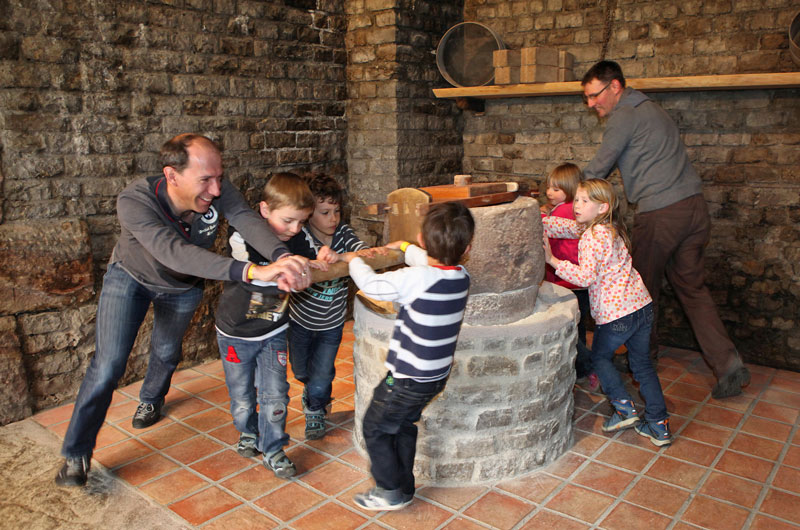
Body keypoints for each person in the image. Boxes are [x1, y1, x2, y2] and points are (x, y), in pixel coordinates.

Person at [55, 134, 312, 487]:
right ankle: (76, 451)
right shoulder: (135, 200)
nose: (216, 189)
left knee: (165, 351)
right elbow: (174, 252)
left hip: (182, 287)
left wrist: (282, 257)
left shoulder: (218, 191)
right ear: (172, 175)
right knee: (109, 364)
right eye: (205, 179)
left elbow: (246, 218)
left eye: (219, 177)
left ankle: (151, 398)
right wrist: (251, 270)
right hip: (130, 278)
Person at [580, 60, 750, 399]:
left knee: (640, 292)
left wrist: (563, 193)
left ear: (615, 87)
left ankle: (642, 361)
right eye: (586, 98)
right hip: (693, 209)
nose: (591, 104)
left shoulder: (625, 115)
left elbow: (600, 166)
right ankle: (729, 364)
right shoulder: (652, 109)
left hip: (662, 215)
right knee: (693, 289)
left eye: (593, 95)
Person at [342, 201, 474, 511]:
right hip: (434, 377)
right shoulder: (461, 276)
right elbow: (429, 260)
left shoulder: (416, 279)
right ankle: (404, 487)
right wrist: (404, 247)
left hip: (406, 378)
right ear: (466, 248)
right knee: (402, 426)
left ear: (423, 239)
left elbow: (372, 284)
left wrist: (353, 260)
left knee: (375, 427)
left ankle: (388, 490)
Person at [543, 179, 671, 447]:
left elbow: (585, 277)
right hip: (641, 306)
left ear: (602, 207)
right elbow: (565, 226)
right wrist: (541, 221)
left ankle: (623, 408)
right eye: (576, 199)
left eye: (584, 201)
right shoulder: (610, 228)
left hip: (616, 315)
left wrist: (553, 261)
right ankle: (659, 425)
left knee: (600, 359)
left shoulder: (591, 236)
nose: (577, 205)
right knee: (643, 366)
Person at [215, 173, 328, 478]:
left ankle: (274, 448)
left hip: (274, 332)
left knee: (275, 394)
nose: (296, 230)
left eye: (302, 222)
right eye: (289, 221)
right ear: (265, 210)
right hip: (236, 332)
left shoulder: (298, 237)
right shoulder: (241, 236)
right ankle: (248, 431)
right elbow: (256, 274)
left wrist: (323, 256)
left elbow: (315, 255)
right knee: (242, 395)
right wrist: (286, 271)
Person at [286, 175, 381, 440]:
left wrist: (339, 257)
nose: (333, 218)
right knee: (301, 370)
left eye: (336, 211)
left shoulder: (342, 234)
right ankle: (314, 392)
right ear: (307, 214)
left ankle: (315, 409)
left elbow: (365, 254)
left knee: (323, 372)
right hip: (300, 322)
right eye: (325, 212)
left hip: (331, 323)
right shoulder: (300, 237)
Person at [540, 163, 596, 391]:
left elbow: (547, 225)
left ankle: (588, 365)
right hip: (578, 281)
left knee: (570, 327)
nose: (549, 192)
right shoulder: (573, 208)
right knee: (579, 325)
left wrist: (542, 215)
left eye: (556, 189)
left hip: (567, 279)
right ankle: (583, 368)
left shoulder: (564, 210)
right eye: (549, 188)